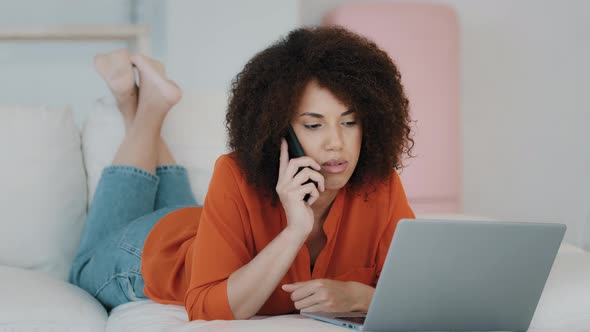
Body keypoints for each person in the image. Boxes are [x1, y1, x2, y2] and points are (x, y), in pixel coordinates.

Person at [69, 26, 415, 321]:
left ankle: (146, 103)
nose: (336, 143)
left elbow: (417, 295)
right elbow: (207, 308)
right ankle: (141, 109)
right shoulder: (235, 174)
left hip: (203, 226)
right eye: (313, 125)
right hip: (152, 251)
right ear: (281, 131)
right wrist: (295, 230)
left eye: (350, 122)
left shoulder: (380, 187)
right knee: (82, 268)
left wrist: (359, 298)